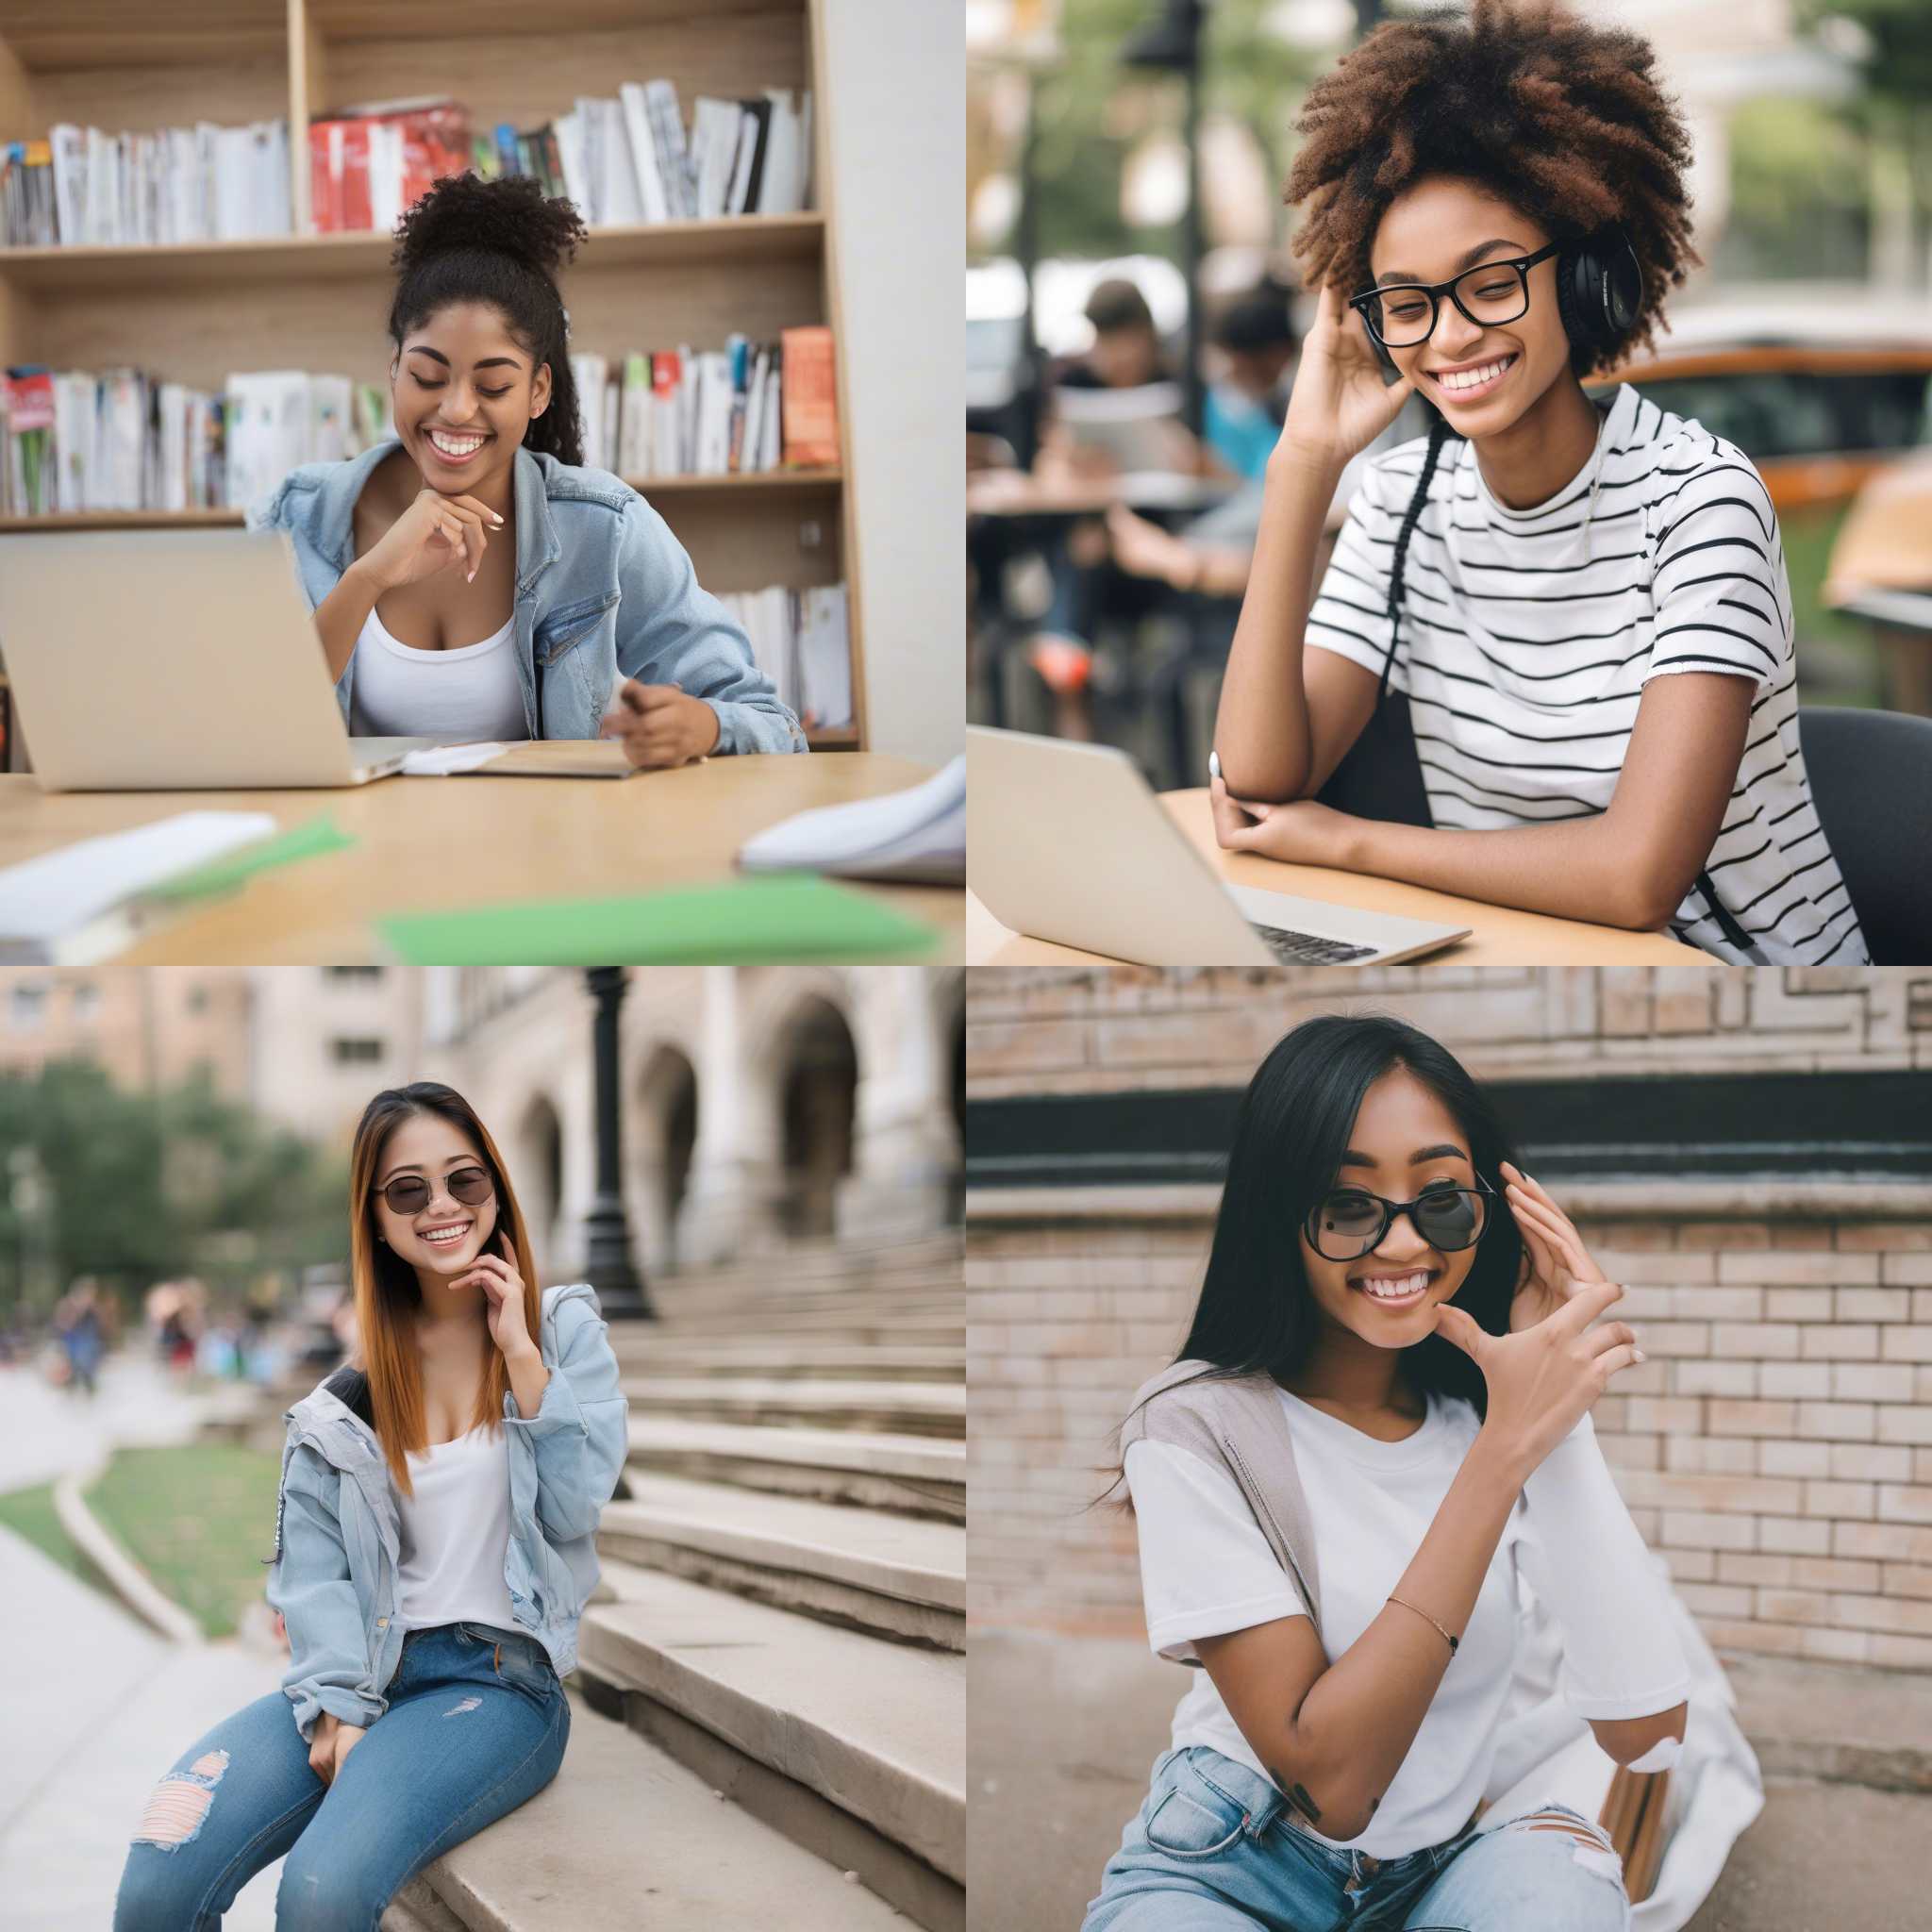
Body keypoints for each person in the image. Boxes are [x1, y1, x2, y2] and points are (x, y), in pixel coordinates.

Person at [1209, 0, 1867, 964]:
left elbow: (1635, 876)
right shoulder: (1400, 505)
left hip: (1740, 984)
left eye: (1488, 282)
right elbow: (1262, 776)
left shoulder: (1697, 501)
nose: (1447, 335)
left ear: (1581, 275)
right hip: (1520, 960)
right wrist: (1302, 464)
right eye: (1405, 303)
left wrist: (1345, 841)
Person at [1080, 1012, 1693, 1931]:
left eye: (1441, 1198)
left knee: (1566, 1903)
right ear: (1279, 1215)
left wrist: (1549, 1409)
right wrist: (1502, 1454)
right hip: (1234, 1863)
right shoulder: (1195, 1423)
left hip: (1443, 1869)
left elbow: (1645, 1735)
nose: (1402, 1243)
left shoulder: (1485, 1424)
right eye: (1346, 1204)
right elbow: (1327, 1782)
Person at [114, 1081, 629, 1932]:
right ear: (378, 1218)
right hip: (366, 1671)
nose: (442, 1206)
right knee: (160, 1874)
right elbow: (313, 1577)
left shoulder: (562, 1330)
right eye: (408, 1189)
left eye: (464, 1180)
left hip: (498, 1688)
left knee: (322, 1893)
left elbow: (575, 1511)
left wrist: (523, 1361)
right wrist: (335, 1706)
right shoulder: (341, 1405)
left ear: (496, 1190)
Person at [246, 172, 806, 764]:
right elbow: (252, 729)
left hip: (543, 850)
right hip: (355, 851)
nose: (456, 409)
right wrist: (366, 578)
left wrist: (704, 726)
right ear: (392, 370)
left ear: (538, 391)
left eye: (493, 385)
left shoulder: (603, 526)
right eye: (427, 378)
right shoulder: (298, 514)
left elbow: (773, 724)